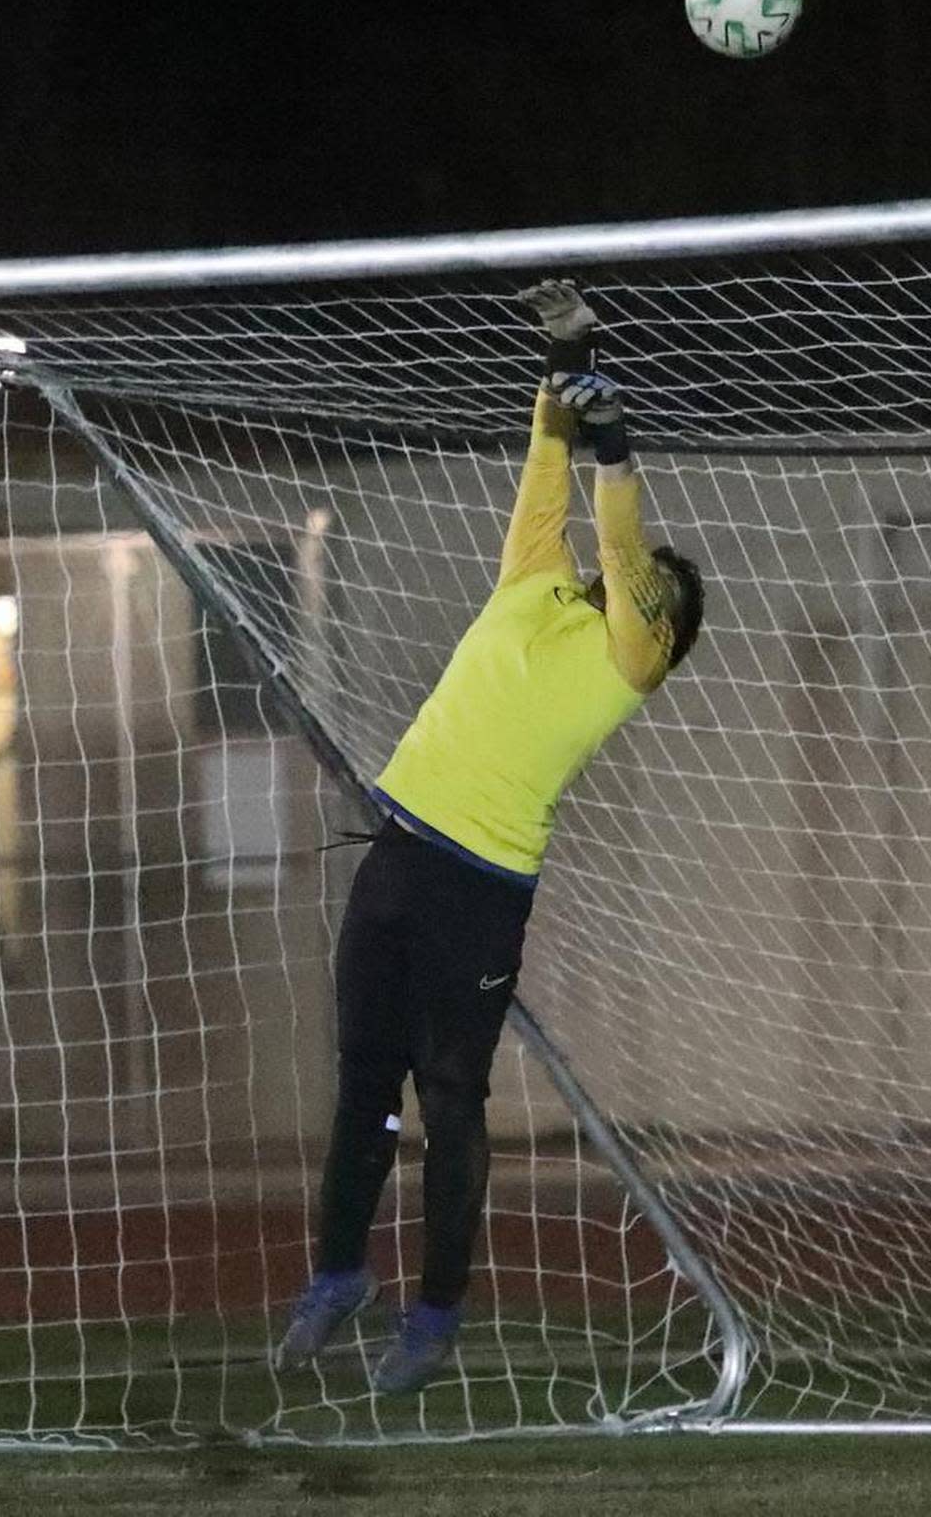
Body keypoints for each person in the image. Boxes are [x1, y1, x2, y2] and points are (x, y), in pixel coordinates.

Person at [277, 280, 705, 1392]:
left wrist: (620, 450)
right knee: (364, 1074)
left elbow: (620, 534)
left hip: (481, 883)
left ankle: (432, 1315)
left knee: (450, 1095)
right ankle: (336, 1273)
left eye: (651, 580)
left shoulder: (631, 656)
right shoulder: (531, 581)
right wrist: (567, 359)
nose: (635, 569)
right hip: (400, 852)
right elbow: (545, 475)